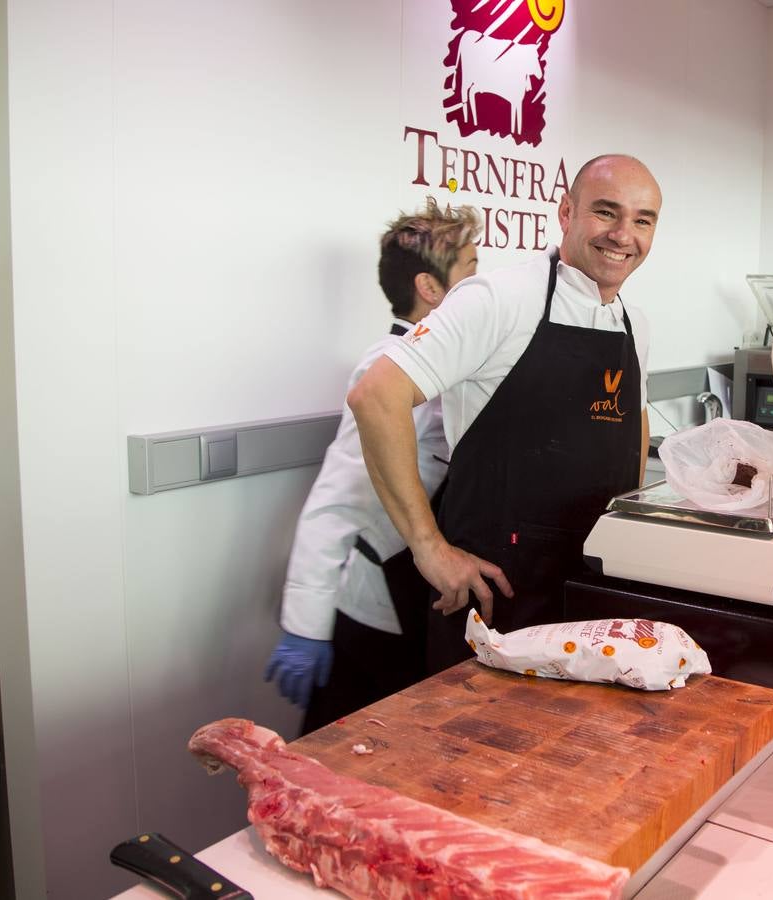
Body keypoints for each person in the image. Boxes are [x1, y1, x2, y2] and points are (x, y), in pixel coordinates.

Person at [348, 154, 660, 673]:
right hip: (499, 597)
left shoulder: (635, 323)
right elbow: (375, 396)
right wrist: (428, 548)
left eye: (643, 220)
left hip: (591, 594)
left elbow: (634, 426)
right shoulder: (499, 298)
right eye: (606, 212)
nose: (624, 234)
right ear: (566, 213)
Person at [265, 198, 482, 734]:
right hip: (376, 607)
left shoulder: (445, 364)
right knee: (343, 760)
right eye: (471, 274)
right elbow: (340, 498)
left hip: (413, 595)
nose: (484, 292)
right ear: (430, 289)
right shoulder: (386, 372)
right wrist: (308, 627)